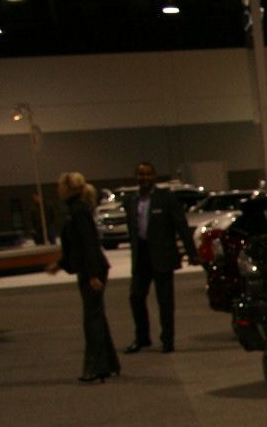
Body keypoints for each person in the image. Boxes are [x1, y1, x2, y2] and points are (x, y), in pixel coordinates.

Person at [47, 171, 120, 383]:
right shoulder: (74, 211)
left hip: (92, 271)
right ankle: (110, 363)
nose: (58, 189)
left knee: (92, 319)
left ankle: (96, 367)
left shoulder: (78, 212)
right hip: (90, 269)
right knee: (96, 316)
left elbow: (89, 245)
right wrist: (60, 265)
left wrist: (93, 274)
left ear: (69, 189)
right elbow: (75, 247)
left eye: (60, 185)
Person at [122, 161, 195, 353]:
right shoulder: (131, 201)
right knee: (135, 297)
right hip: (141, 257)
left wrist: (191, 253)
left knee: (165, 302)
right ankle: (142, 337)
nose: (143, 178)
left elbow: (182, 226)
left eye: (147, 174)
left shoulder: (166, 198)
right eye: (140, 174)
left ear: (154, 176)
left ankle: (167, 339)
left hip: (163, 256)